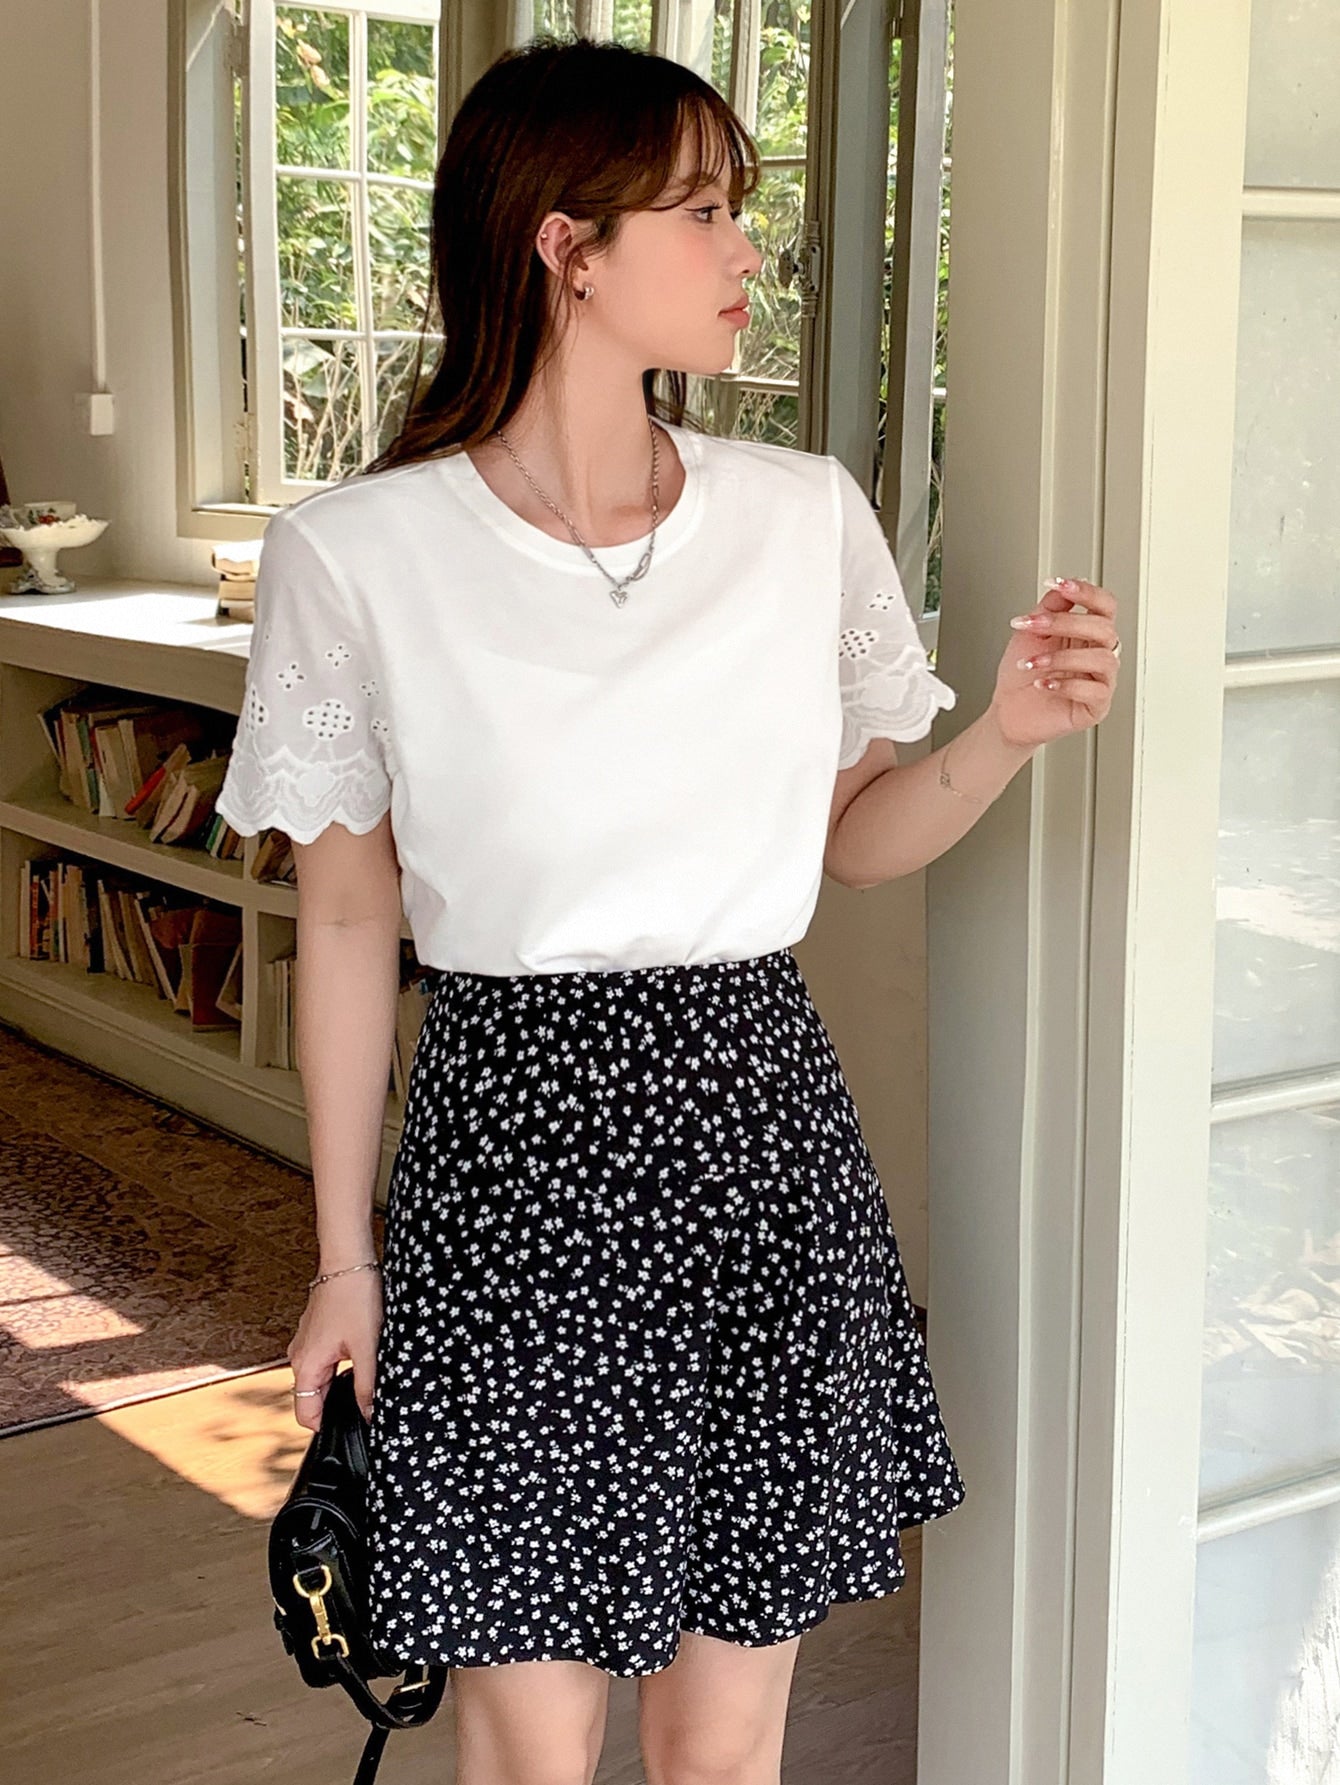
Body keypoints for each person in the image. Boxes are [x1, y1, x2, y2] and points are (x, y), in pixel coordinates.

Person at [216, 31, 1121, 1785]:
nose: (746, 251)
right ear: (563, 244)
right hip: (513, 1164)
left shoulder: (802, 517)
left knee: (726, 1741)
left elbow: (854, 840)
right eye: (703, 211)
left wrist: (1009, 731)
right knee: (530, 1742)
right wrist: (343, 1261)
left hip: (757, 1138)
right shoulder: (361, 555)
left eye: (739, 210)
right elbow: (344, 923)